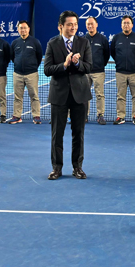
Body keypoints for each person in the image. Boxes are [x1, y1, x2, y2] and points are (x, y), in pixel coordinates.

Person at [43, 11, 91, 180]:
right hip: (59, 95)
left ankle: (77, 167)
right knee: (57, 134)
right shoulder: (52, 44)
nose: (73, 27)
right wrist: (64, 65)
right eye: (70, 24)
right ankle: (56, 168)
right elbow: (47, 70)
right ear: (60, 26)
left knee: (78, 133)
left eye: (75, 24)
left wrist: (78, 63)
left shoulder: (84, 42)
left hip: (80, 95)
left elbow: (89, 67)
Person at [110, 15, 135, 125]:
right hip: (120, 73)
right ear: (121, 25)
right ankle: (120, 116)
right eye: (124, 23)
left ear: (132, 25)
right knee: (120, 96)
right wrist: (120, 63)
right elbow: (113, 53)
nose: (126, 25)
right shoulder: (116, 38)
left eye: (128, 23)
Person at [11, 21, 43, 123]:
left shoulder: (35, 42)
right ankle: (17, 116)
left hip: (31, 74)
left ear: (29, 29)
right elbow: (13, 57)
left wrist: (32, 67)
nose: (23, 30)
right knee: (17, 97)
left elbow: (39, 57)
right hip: (17, 74)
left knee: (34, 96)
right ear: (18, 30)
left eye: (25, 28)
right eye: (21, 28)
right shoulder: (15, 43)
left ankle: (36, 116)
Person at [83, 16, 110, 125]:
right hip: (85, 72)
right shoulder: (84, 39)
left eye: (92, 24)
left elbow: (106, 54)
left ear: (96, 25)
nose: (90, 26)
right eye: (88, 24)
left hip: (99, 72)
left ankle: (100, 115)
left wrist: (100, 65)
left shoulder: (102, 39)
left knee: (100, 95)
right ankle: (84, 115)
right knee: (84, 94)